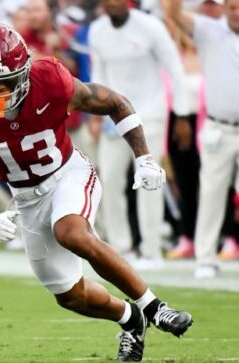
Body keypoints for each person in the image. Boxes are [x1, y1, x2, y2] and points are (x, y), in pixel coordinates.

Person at [0, 23, 192, 362]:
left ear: (26, 70)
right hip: (25, 199)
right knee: (69, 295)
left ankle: (154, 307)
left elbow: (115, 103)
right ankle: (130, 319)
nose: (0, 91)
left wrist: (145, 158)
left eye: (8, 80)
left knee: (70, 232)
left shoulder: (50, 79)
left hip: (67, 174)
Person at [89, 0, 190, 270]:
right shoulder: (97, 30)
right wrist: (97, 116)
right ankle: (121, 249)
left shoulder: (150, 26)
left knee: (150, 181)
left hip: (150, 114)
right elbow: (99, 74)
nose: (112, 3)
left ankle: (152, 251)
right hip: (114, 118)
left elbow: (175, 69)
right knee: (108, 180)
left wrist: (181, 113)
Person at [164, 0, 239, 277]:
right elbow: (172, 13)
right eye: (231, 7)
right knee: (211, 193)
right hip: (219, 128)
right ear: (224, 9)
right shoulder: (209, 30)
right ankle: (206, 258)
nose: (236, 12)